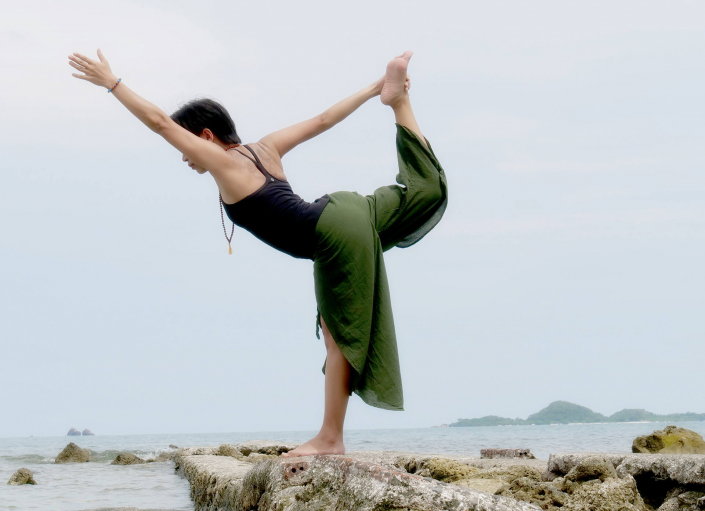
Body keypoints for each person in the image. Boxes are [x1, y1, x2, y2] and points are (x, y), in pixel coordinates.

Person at [69, 50, 448, 457]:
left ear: (206, 137)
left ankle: (329, 440)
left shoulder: (223, 164)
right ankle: (399, 102)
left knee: (339, 336)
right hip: (345, 209)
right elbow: (323, 120)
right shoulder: (266, 148)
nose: (185, 158)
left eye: (187, 147)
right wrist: (375, 89)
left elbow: (159, 122)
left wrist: (111, 83)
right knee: (425, 194)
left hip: (328, 233)